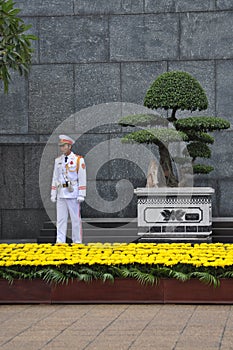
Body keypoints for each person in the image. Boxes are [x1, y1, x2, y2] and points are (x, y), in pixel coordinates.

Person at [50, 135, 86, 243]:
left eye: (64, 146)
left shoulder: (78, 160)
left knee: (75, 219)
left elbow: (82, 177)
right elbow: (55, 177)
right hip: (61, 192)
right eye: (61, 146)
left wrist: (81, 194)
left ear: (69, 146)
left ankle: (77, 241)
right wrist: (53, 193)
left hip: (73, 192)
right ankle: (60, 241)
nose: (62, 148)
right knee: (61, 219)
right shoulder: (58, 161)